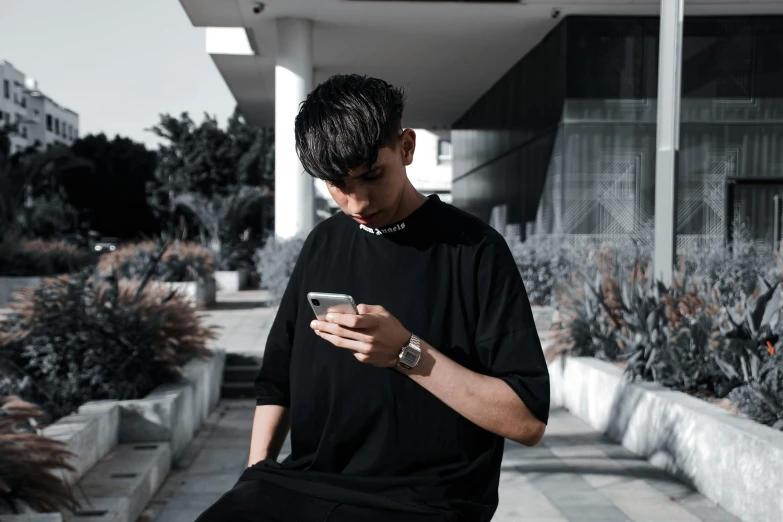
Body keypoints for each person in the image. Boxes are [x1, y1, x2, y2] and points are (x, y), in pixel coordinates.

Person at [195, 74, 550, 522]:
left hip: (426, 502)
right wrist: (254, 473)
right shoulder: (322, 243)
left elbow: (527, 421)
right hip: (304, 485)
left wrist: (408, 353)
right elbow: (276, 379)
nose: (357, 202)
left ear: (406, 147)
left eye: (371, 175)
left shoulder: (475, 250)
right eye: (337, 184)